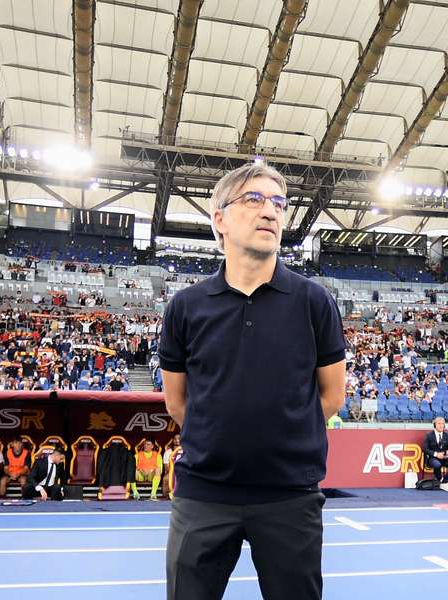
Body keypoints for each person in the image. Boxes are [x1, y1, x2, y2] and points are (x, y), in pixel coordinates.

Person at [159, 163, 346, 600]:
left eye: (279, 203)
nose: (271, 212)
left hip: (289, 496)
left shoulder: (314, 302)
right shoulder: (186, 307)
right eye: (254, 200)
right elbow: (177, 403)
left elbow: (332, 396)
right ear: (219, 220)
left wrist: (277, 435)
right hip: (203, 494)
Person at [423, 417, 448, 492]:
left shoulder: (447, 435)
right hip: (433, 458)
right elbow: (425, 449)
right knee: (437, 465)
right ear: (434, 425)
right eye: (439, 423)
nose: (441, 425)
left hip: (445, 458)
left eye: (442, 424)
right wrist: (436, 454)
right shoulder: (429, 435)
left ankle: (444, 482)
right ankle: (441, 481)